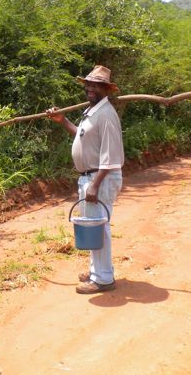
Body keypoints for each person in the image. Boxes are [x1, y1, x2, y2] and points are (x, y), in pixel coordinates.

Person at [47, 65, 124, 294]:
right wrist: (62, 121)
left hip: (99, 178)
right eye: (88, 84)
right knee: (93, 227)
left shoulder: (107, 114)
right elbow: (82, 135)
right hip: (90, 178)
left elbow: (112, 156)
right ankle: (96, 271)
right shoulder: (92, 111)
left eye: (96, 85)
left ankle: (103, 279)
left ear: (106, 89)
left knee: (99, 228)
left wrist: (95, 184)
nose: (90, 88)